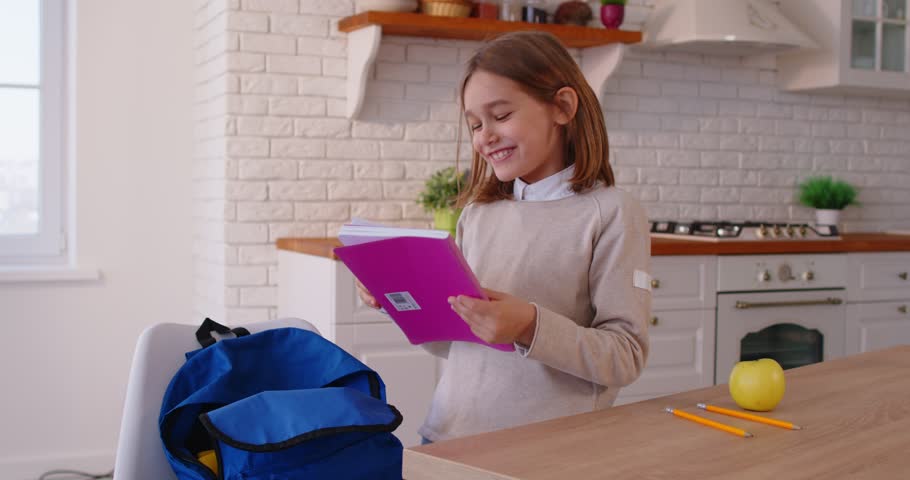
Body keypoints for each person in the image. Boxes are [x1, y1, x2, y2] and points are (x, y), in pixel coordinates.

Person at [356, 31, 651, 443]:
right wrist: (398, 299)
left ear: (562, 107)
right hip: (447, 434)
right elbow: (455, 345)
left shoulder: (612, 213)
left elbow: (625, 356)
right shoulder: (478, 215)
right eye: (475, 124)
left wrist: (530, 326)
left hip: (541, 451)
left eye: (501, 115)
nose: (484, 136)